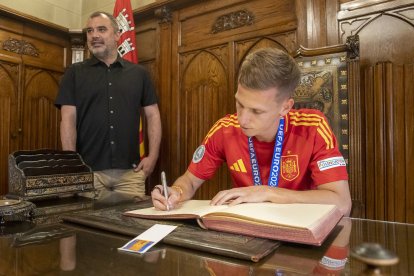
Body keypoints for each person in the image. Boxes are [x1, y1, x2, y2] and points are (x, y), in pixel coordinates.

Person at [151, 48, 351, 216]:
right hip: (247, 232)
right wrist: (176, 191)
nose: (243, 119)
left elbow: (341, 202)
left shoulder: (313, 126)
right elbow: (190, 181)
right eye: (239, 104)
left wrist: (267, 193)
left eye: (256, 111)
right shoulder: (225, 129)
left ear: (285, 107)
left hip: (299, 236)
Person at [55, 11, 161, 202]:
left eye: (101, 29)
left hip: (131, 175)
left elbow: (153, 115)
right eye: (90, 31)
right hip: (89, 174)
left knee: (131, 230)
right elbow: (68, 120)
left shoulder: (139, 74)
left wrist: (152, 156)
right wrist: (73, 165)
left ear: (117, 34)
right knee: (88, 231)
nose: (94, 35)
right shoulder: (74, 74)